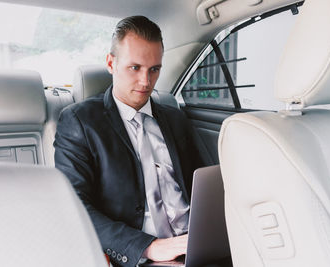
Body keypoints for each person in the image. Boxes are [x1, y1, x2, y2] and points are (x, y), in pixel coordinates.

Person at [54, 15, 212, 267]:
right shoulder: (79, 121)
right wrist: (148, 247)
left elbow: (208, 183)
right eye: (135, 67)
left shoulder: (175, 118)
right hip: (139, 254)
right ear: (110, 63)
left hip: (196, 244)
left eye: (154, 69)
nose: (145, 81)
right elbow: (74, 206)